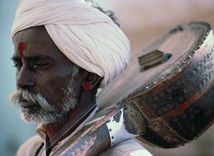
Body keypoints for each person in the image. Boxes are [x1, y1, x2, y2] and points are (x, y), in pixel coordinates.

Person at [10, 0, 153, 155]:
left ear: (89, 77)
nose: (21, 81)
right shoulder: (30, 150)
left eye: (40, 65)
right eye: (18, 65)